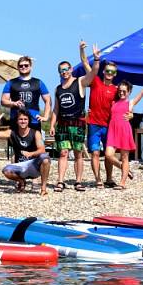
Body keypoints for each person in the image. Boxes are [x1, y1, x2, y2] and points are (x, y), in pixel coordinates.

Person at [48, 42, 100, 192]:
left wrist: (96, 60)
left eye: (66, 69)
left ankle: (78, 181)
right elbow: (56, 109)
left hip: (77, 123)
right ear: (59, 72)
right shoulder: (58, 89)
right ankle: (60, 181)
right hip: (62, 124)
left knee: (78, 153)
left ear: (71, 70)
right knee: (63, 152)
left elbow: (93, 74)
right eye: (61, 70)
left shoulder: (80, 82)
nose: (64, 72)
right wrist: (52, 125)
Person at [106, 75, 143, 189]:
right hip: (112, 130)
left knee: (124, 157)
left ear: (129, 92)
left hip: (124, 130)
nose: (121, 93)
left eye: (124, 91)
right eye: (120, 91)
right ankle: (125, 169)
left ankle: (122, 183)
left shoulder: (130, 103)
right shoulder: (114, 102)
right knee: (108, 155)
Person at [81, 46, 122, 188]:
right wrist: (82, 50)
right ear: (103, 71)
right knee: (96, 153)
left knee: (109, 154)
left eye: (112, 72)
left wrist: (129, 114)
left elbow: (124, 106)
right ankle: (98, 179)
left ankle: (109, 178)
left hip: (109, 125)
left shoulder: (117, 90)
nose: (109, 73)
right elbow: (85, 62)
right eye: (107, 71)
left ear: (115, 74)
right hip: (94, 124)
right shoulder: (95, 81)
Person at [0, 110, 51, 195]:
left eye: (25, 119)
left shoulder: (35, 133)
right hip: (20, 167)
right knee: (6, 171)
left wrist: (30, 154)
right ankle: (22, 181)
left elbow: (42, 150)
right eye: (20, 119)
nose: (23, 121)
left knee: (45, 159)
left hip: (33, 166)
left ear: (28, 121)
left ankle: (43, 189)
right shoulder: (12, 132)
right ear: (17, 121)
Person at [1, 56, 51, 132]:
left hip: (34, 121)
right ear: (17, 67)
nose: (23, 67)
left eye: (26, 65)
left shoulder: (38, 82)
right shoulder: (11, 82)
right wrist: (14, 103)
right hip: (16, 120)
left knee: (36, 143)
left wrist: (46, 117)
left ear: (30, 67)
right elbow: (3, 101)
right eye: (21, 66)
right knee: (14, 144)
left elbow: (48, 100)